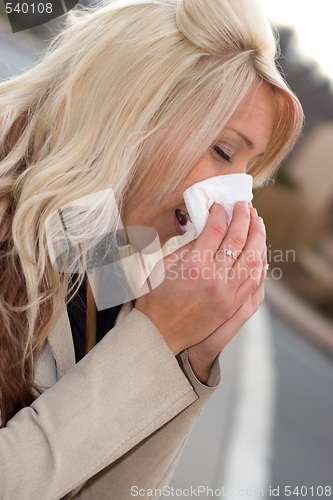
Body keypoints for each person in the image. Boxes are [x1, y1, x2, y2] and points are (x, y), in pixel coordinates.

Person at [0, 0, 303, 498]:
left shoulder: (103, 249)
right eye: (224, 151)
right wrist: (155, 339)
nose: (234, 197)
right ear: (137, 104)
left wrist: (187, 356)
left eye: (248, 175)